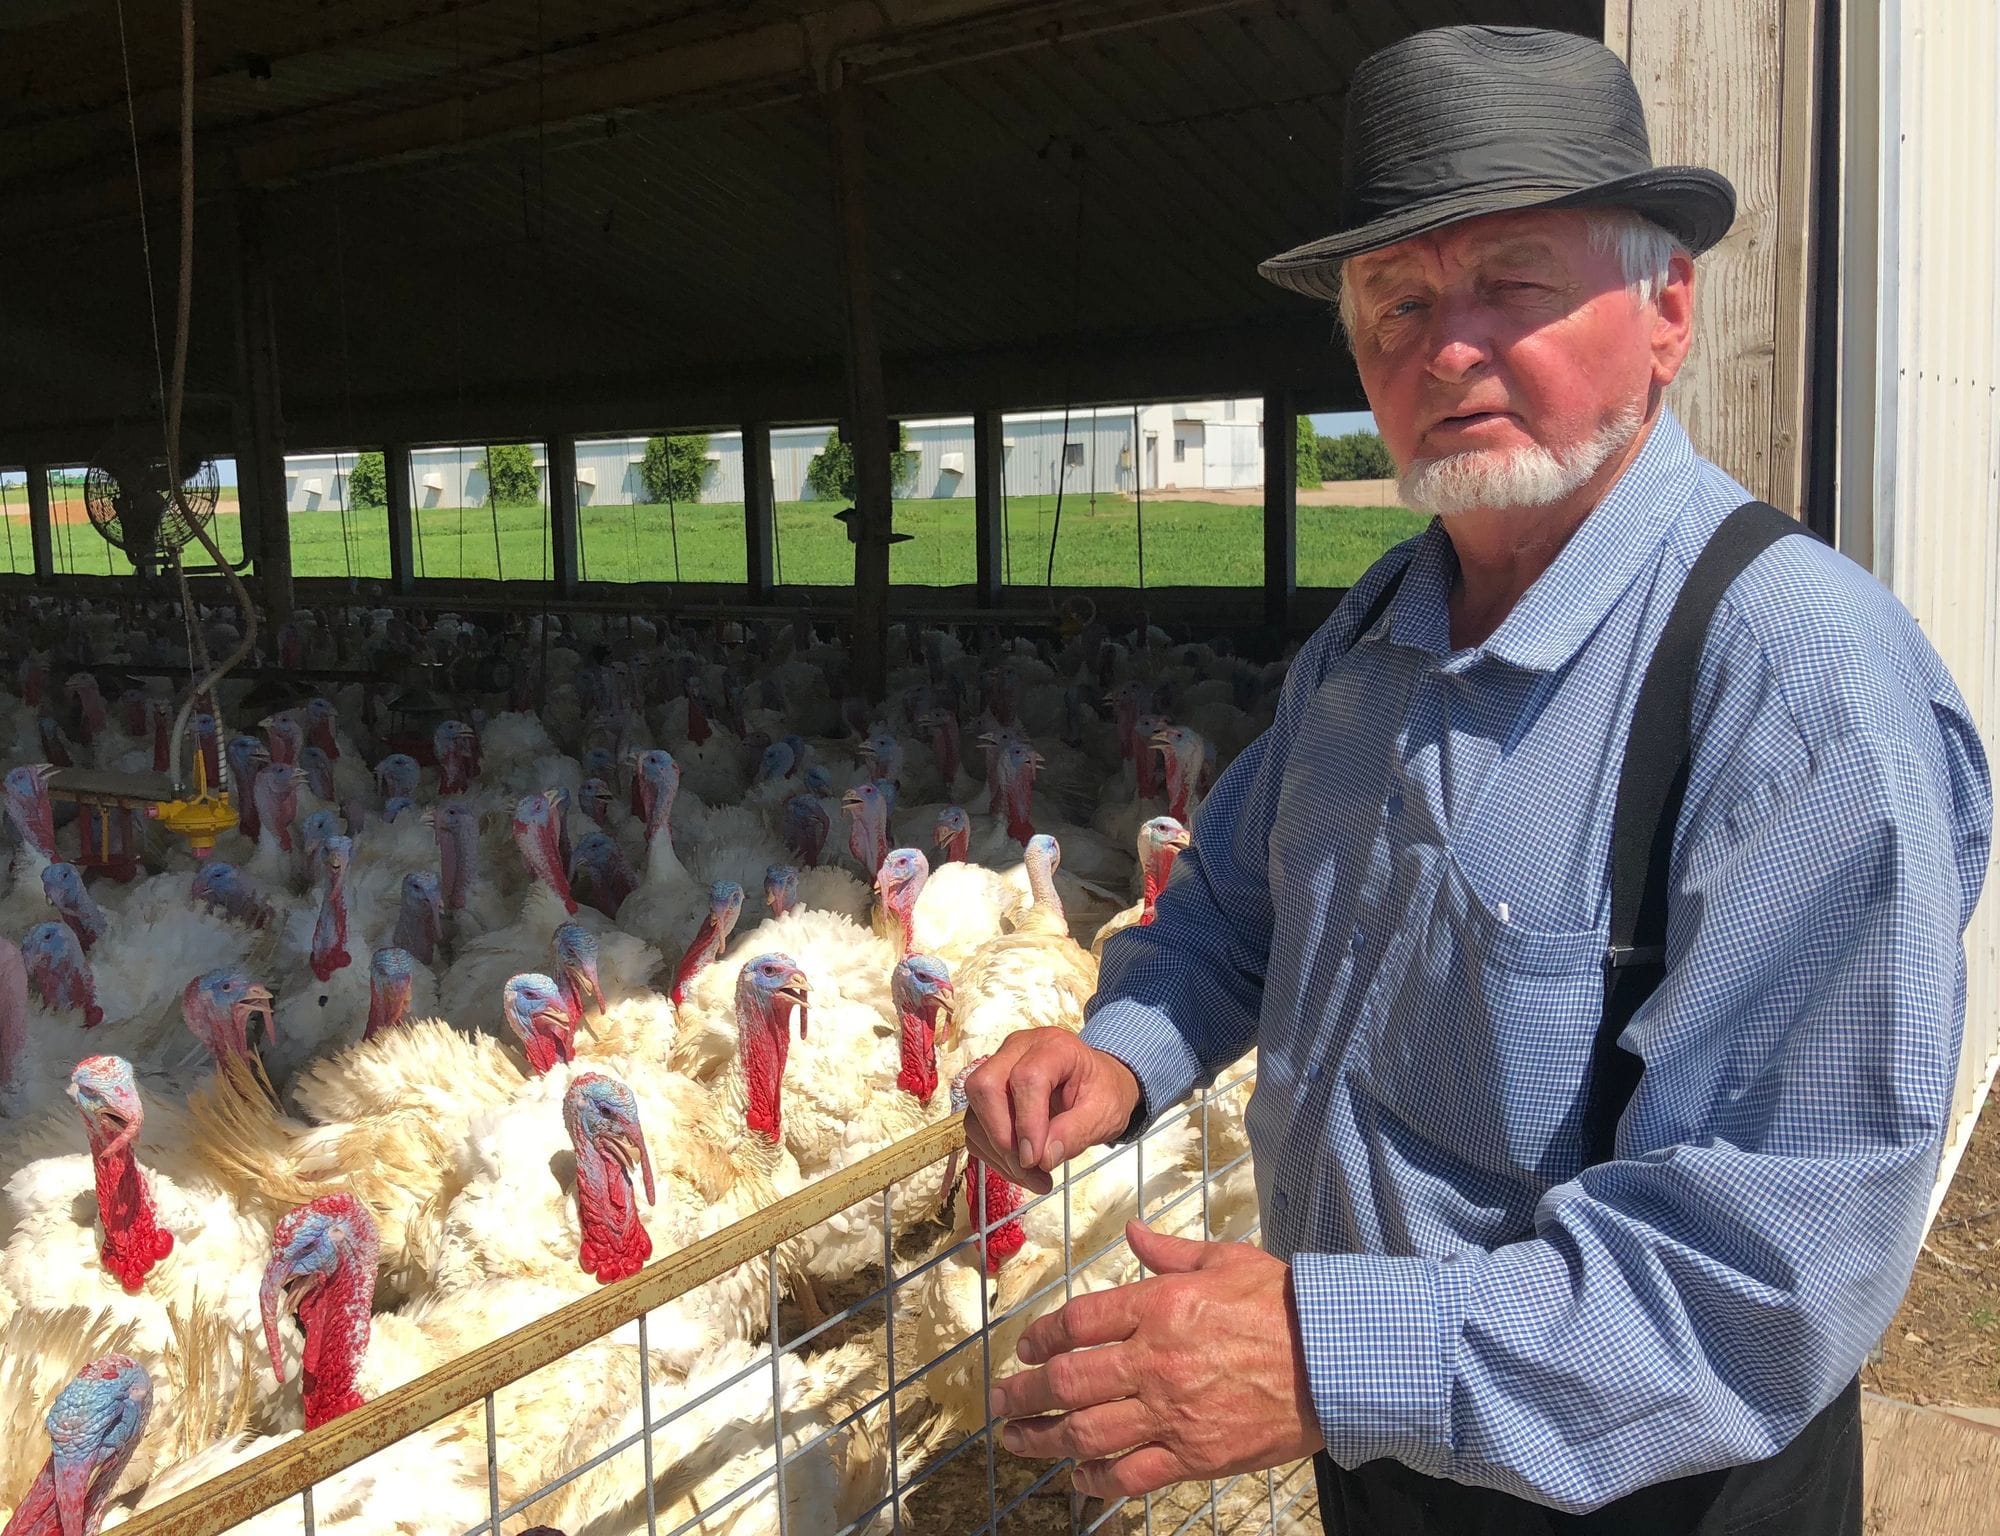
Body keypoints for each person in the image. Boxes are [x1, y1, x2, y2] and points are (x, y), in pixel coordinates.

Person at [963, 24, 1993, 1536]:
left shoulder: (1795, 684)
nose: (1446, 349)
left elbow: (1765, 1280)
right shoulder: (1378, 633)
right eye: (1394, 303)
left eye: (1514, 281)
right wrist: (1123, 1048)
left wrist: (1319, 1355)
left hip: (1643, 1488)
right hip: (1382, 1462)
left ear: (1667, 309)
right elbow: (1237, 908)